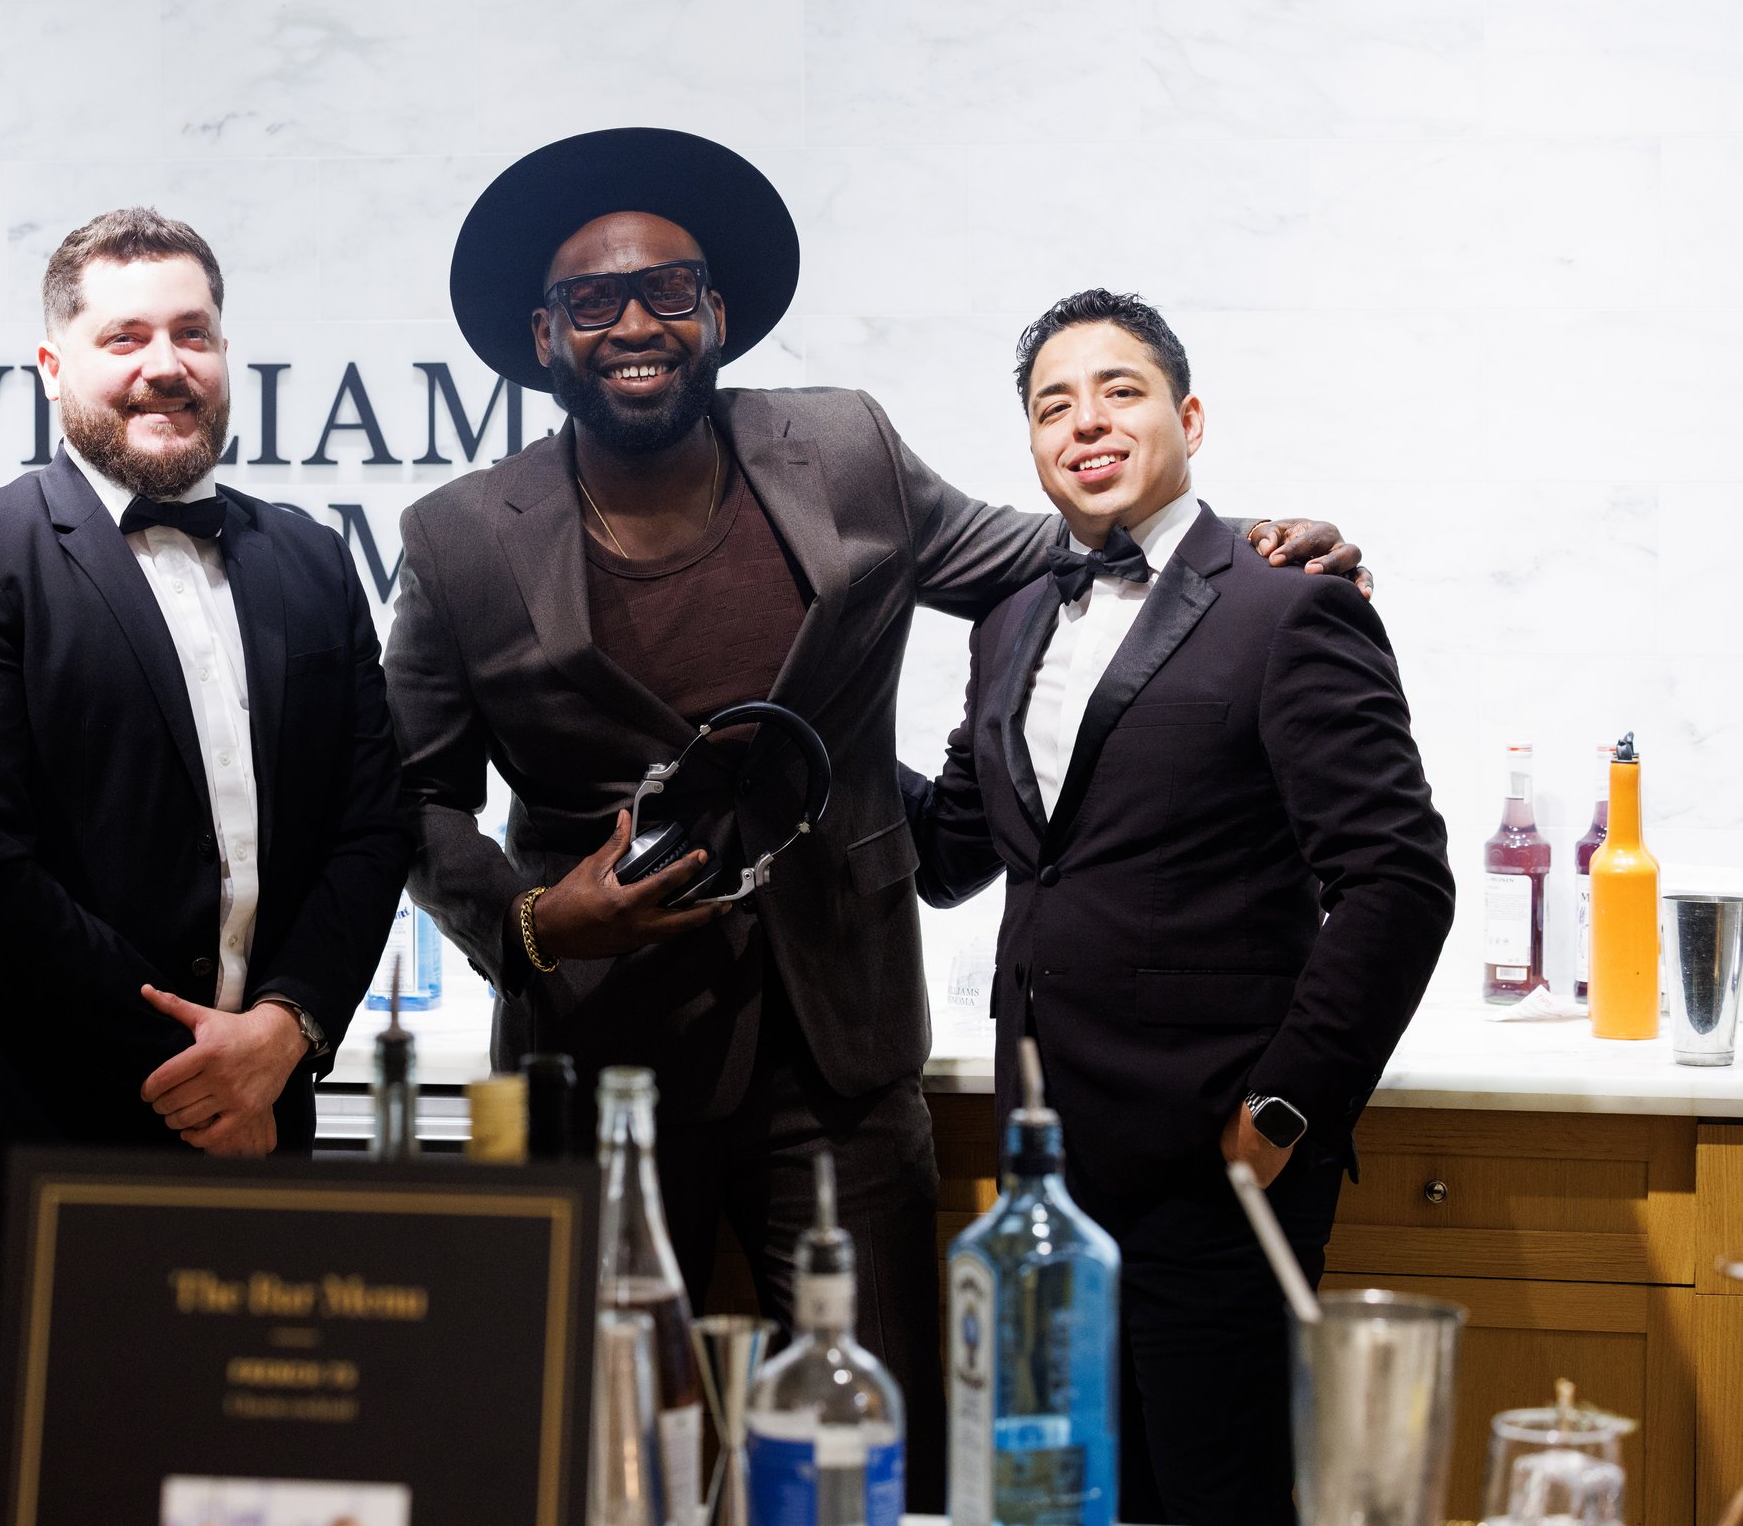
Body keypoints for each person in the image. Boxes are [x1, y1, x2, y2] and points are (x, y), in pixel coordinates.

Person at [384, 127, 1363, 1509]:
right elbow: (410, 801)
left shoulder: (840, 449)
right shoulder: (457, 537)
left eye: (669, 287)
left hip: (836, 1057)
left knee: (883, 1458)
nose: (636, 322)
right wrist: (535, 922)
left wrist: (1256, 551)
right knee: (591, 1462)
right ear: (543, 338)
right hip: (595, 1062)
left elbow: (1072, 557)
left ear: (718, 314)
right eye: (593, 301)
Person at [909, 289, 1453, 1525]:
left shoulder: (1287, 599)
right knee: (1076, 1499)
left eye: (1119, 391)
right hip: (1048, 1179)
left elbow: (1397, 879)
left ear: (1188, 417)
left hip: (1218, 1170)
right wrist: (807, 751)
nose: (1084, 422)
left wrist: (1278, 1115)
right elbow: (953, 847)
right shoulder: (1010, 619)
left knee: (1221, 1497)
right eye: (1053, 404)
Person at [0, 208, 407, 1455]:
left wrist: (282, 1032)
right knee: (72, 1477)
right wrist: (198, 1066)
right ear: (55, 367)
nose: (164, 363)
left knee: (261, 1479)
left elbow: (372, 824)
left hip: (268, 1111)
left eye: (193, 332)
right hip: (50, 1128)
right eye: (124, 335)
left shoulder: (315, 562)